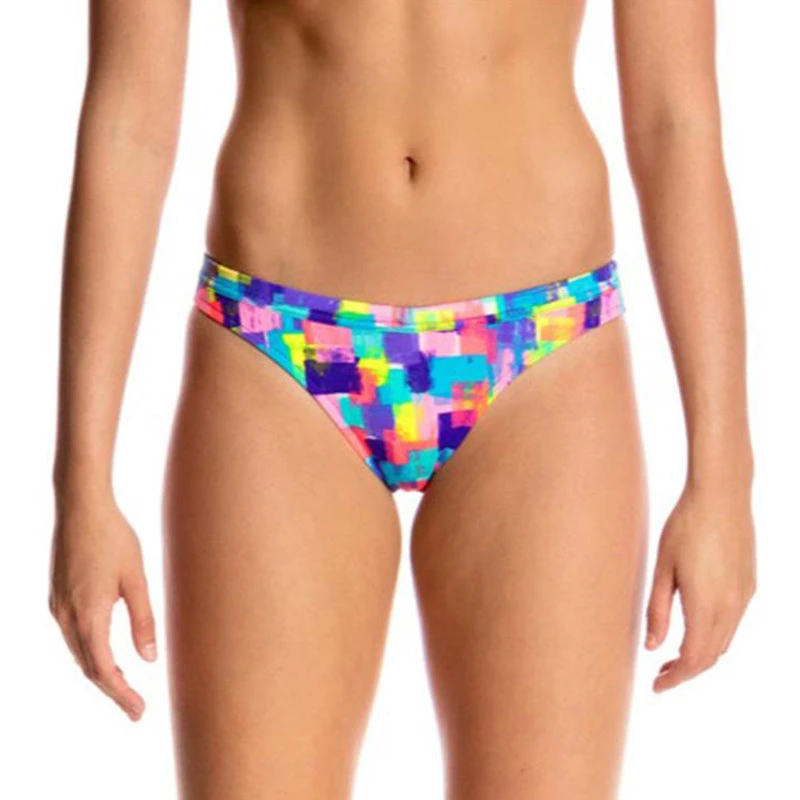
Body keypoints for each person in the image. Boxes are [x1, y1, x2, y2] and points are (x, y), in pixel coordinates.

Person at [48, 0, 756, 797]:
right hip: (276, 345)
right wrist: (82, 487)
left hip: (543, 349)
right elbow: (128, 121)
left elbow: (675, 120)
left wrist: (723, 479)